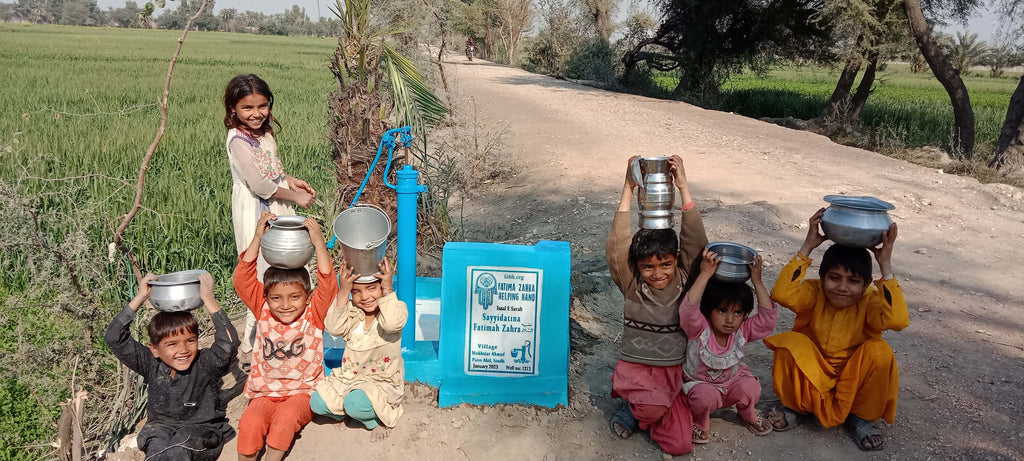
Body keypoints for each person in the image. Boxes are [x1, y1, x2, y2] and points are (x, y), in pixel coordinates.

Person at [764, 208, 907, 451]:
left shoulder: (870, 301)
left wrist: (885, 265)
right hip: (815, 372)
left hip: (854, 377)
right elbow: (781, 294)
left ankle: (860, 418)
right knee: (790, 343)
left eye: (853, 281)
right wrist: (808, 247)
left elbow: (898, 321)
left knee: (880, 352)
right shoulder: (814, 291)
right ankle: (797, 407)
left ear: (866, 285)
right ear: (821, 276)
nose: (842, 287)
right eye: (834, 277)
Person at [606, 155, 708, 456]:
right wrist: (627, 186)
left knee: (681, 445)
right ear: (637, 267)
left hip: (672, 373)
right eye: (648, 266)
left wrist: (684, 187)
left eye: (665, 263)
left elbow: (696, 243)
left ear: (676, 260)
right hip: (637, 369)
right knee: (650, 410)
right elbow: (618, 246)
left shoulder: (686, 280)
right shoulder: (632, 285)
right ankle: (636, 407)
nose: (658, 272)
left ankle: (649, 408)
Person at [223, 74, 318, 366]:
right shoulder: (238, 141)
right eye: (247, 108)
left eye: (262, 106)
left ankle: (287, 335)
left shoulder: (264, 133)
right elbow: (260, 186)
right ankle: (256, 345)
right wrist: (295, 198)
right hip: (258, 209)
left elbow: (271, 171)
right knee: (264, 274)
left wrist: (290, 181)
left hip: (277, 199)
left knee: (285, 267)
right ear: (233, 110)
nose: (256, 114)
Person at [233, 211, 337, 461]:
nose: (285, 305)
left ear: (308, 296)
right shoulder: (263, 310)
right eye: (276, 298)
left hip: (302, 391)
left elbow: (328, 282)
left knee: (285, 422)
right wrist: (259, 236)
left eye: (294, 297)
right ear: (267, 297)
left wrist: (318, 243)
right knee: (250, 423)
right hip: (265, 392)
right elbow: (243, 279)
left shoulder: (313, 316)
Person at [105, 272, 239, 461]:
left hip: (201, 430)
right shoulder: (151, 363)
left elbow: (229, 343)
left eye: (190, 341)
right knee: (158, 450)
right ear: (155, 349)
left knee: (178, 449)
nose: (183, 350)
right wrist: (141, 296)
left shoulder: (206, 364)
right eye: (172, 344)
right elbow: (114, 337)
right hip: (159, 429)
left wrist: (208, 299)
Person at [678, 249, 777, 443]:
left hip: (730, 382)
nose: (730, 320)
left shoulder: (742, 331)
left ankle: (747, 413)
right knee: (705, 396)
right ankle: (700, 422)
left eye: (738, 313)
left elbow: (767, 320)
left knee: (751, 387)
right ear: (709, 311)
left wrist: (757, 281)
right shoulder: (699, 329)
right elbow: (688, 309)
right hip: (702, 386)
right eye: (722, 311)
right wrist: (705, 274)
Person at [311, 259, 408, 442]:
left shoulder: (395, 309)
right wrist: (343, 292)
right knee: (317, 403)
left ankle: (373, 421)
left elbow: (393, 324)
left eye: (372, 288)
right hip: (351, 379)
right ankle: (346, 413)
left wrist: (388, 290)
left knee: (355, 403)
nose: (365, 297)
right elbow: (333, 327)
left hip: (380, 382)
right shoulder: (354, 314)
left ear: (383, 288)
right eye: (356, 291)